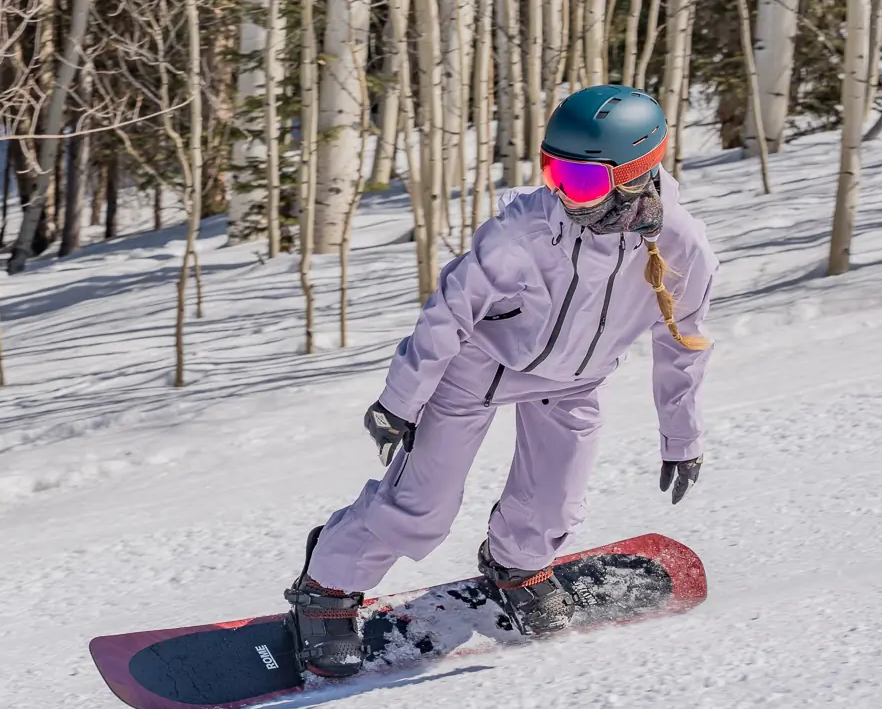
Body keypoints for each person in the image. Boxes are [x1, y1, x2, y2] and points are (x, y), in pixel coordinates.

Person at [286, 84, 719, 678]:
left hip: (575, 384)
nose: (564, 192)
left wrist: (682, 438)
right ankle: (325, 588)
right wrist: (399, 401)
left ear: (635, 174)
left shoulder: (682, 248)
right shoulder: (523, 231)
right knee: (422, 507)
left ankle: (514, 566)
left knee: (553, 504)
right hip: (475, 373)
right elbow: (448, 313)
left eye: (583, 181)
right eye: (554, 172)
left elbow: (684, 344)